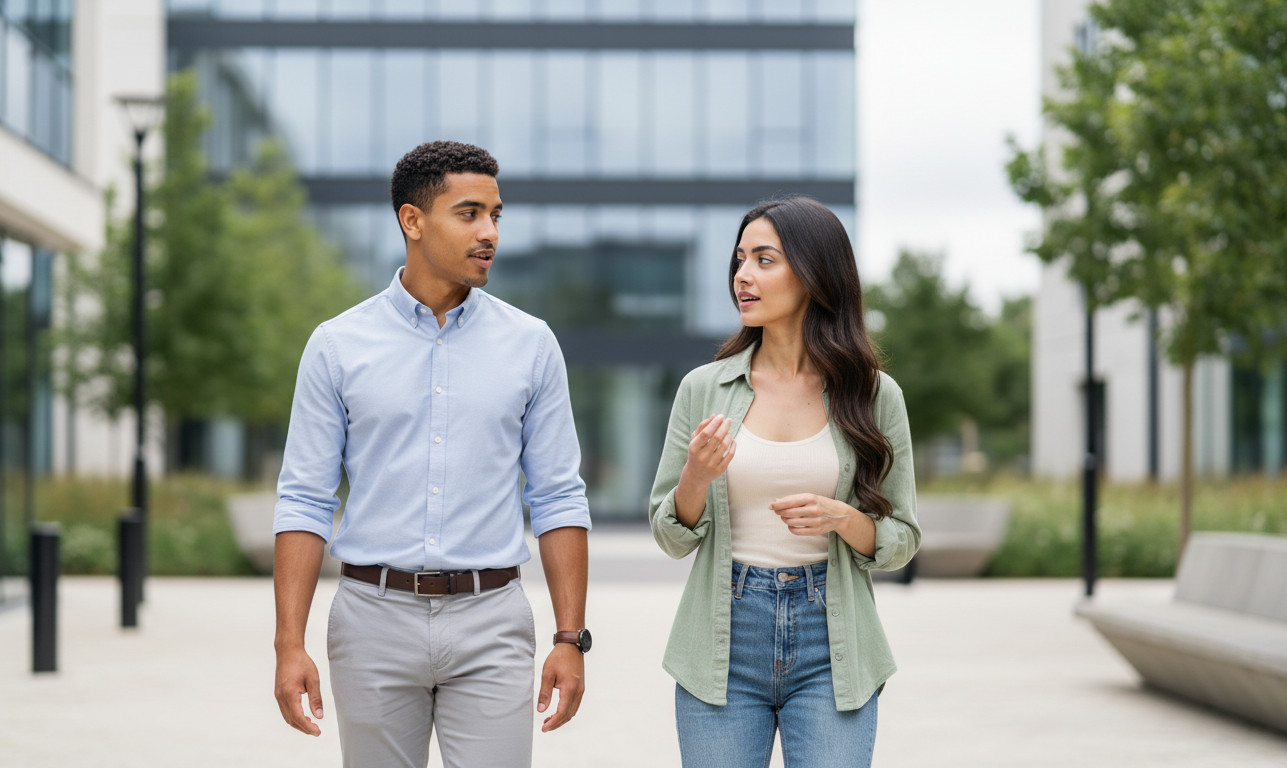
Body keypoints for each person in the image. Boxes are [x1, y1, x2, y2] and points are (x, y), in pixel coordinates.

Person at [271, 141, 593, 768]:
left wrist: (569, 638)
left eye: (496, 216)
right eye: (469, 214)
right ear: (412, 221)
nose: (490, 233)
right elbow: (305, 498)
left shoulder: (531, 344)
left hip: (491, 619)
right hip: (372, 619)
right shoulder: (337, 346)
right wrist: (289, 643)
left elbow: (558, 494)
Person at [648, 196, 920, 768]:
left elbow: (902, 537)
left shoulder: (873, 394)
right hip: (723, 641)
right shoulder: (704, 388)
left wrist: (843, 519)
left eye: (764, 259)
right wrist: (696, 475)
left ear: (814, 272)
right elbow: (671, 536)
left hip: (834, 641)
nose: (742, 275)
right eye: (739, 259)